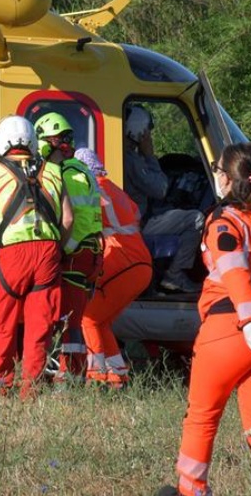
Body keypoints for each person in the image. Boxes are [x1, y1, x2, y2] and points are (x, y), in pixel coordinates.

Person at [158, 142, 251, 496]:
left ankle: (191, 491)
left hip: (231, 330)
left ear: (225, 178)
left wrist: (249, 319)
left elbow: (234, 270)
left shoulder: (225, 221)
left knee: (202, 417)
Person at [0, 115, 71, 399]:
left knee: (4, 324)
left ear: (2, 141)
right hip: (48, 252)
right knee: (39, 326)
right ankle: (31, 389)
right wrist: (58, 249)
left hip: (11, 255)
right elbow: (67, 220)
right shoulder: (55, 170)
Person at [74, 147, 153, 388]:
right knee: (101, 321)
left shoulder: (94, 190)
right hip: (141, 264)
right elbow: (136, 214)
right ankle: (118, 377)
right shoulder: (116, 189)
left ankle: (96, 378)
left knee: (88, 317)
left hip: (124, 260)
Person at [34, 112, 103, 382]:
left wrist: (61, 250)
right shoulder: (81, 168)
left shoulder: (67, 173)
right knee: (70, 319)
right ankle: (68, 374)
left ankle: (70, 378)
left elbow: (72, 219)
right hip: (89, 252)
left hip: (75, 252)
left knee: (68, 321)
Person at [122, 105, 204, 293]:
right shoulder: (132, 161)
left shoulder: (127, 156)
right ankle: (174, 275)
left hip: (132, 221)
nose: (149, 137)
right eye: (147, 134)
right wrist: (150, 155)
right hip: (140, 225)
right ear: (138, 131)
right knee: (196, 219)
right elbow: (161, 189)